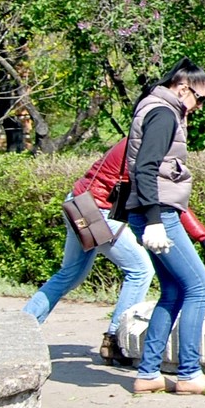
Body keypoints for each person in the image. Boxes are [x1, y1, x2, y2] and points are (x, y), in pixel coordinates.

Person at [125, 61, 205, 395]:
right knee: (199, 287)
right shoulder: (164, 113)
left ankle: (149, 373)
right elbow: (146, 168)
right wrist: (153, 221)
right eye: (200, 99)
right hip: (159, 215)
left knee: (174, 291)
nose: (200, 106)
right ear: (183, 88)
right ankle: (189, 373)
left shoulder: (156, 107)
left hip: (155, 212)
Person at [21, 138, 154, 364]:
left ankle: (20, 330)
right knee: (140, 270)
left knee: (69, 274)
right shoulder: (150, 141)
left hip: (79, 203)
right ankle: (116, 339)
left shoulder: (134, 137)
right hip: (97, 213)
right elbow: (151, 189)